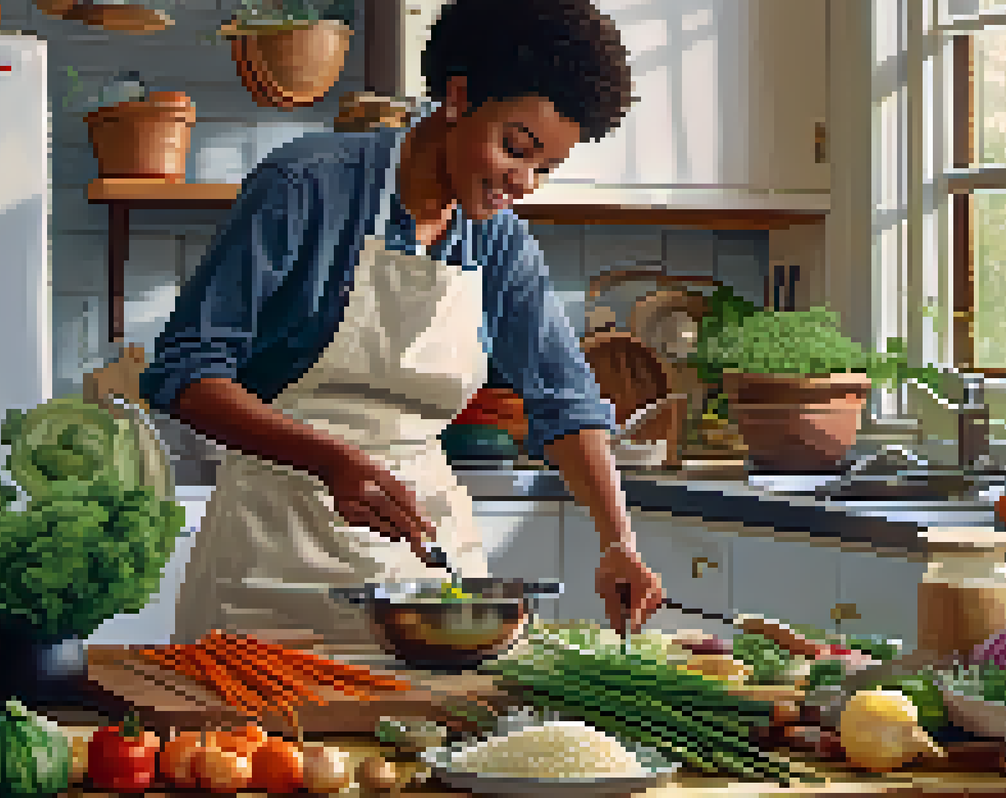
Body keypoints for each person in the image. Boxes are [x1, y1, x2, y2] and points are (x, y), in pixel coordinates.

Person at [141, 0, 666, 644]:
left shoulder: (500, 245)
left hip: (427, 581)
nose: (523, 183)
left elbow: (568, 405)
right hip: (274, 564)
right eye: (515, 148)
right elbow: (184, 373)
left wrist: (618, 541)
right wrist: (333, 461)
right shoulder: (307, 187)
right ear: (458, 95)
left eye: (544, 169)